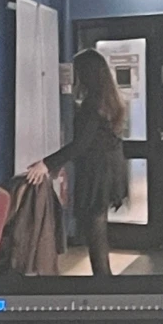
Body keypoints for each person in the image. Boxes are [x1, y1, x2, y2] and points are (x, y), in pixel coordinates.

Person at [25, 48, 128, 286]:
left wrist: (46, 164)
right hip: (111, 169)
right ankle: (104, 280)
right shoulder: (109, 101)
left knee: (95, 229)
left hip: (97, 172)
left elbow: (81, 144)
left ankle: (102, 282)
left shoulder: (92, 104)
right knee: (98, 225)